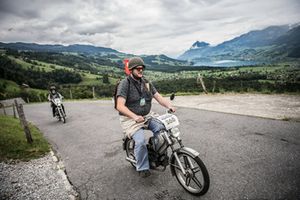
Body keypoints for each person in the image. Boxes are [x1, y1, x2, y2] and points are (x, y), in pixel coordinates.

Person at [116, 57, 175, 177]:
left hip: (147, 115)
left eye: (142, 68)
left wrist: (169, 105)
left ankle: (157, 155)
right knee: (140, 141)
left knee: (162, 130)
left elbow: (158, 97)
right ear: (131, 70)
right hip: (131, 119)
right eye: (138, 68)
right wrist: (134, 116)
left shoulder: (146, 82)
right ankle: (142, 167)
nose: (140, 70)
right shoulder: (125, 84)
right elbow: (120, 106)